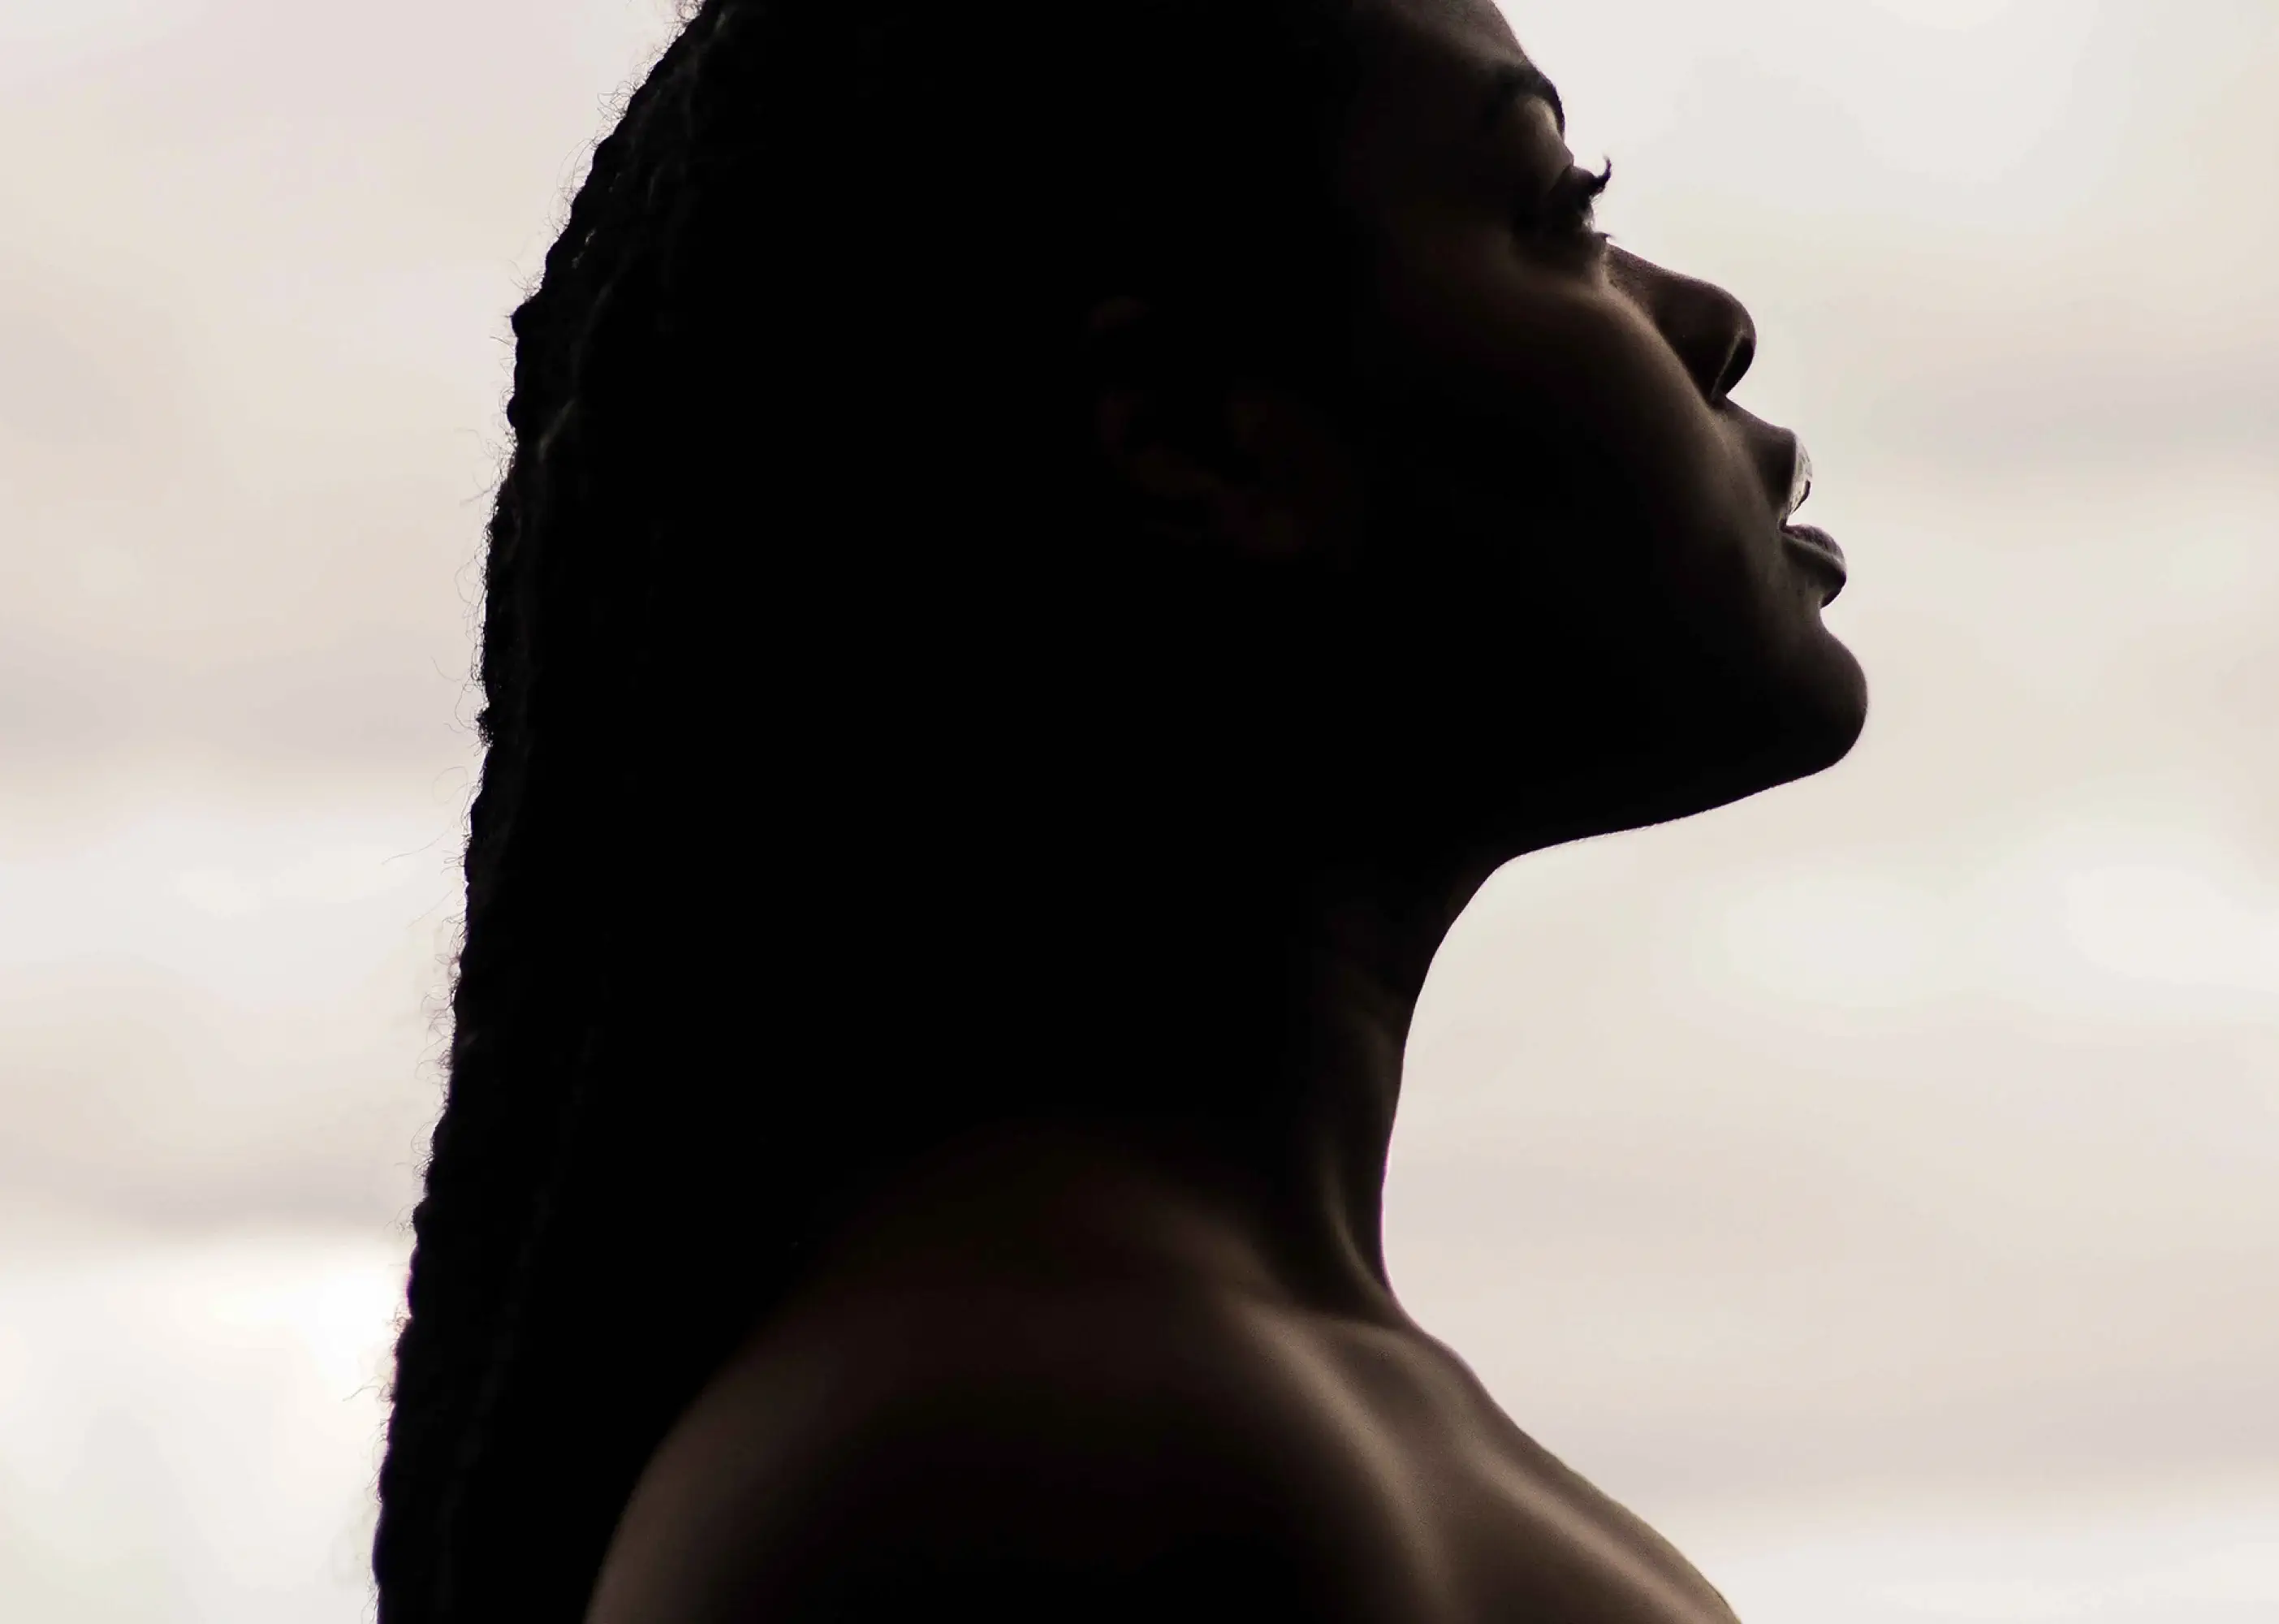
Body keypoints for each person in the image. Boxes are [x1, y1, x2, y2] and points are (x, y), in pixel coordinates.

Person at [374, 0, 1867, 1618]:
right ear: (1197, 437)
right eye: (1557, 213)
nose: (1707, 320)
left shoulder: (1119, 1401)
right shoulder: (1042, 1461)